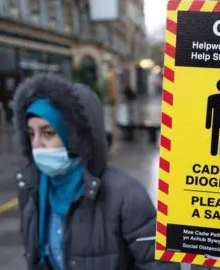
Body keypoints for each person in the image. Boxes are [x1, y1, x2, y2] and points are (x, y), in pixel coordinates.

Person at [12, 73, 180, 270]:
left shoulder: (126, 196)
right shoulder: (33, 189)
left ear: (74, 136)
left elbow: (159, 265)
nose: (37, 144)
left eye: (48, 133)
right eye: (31, 134)